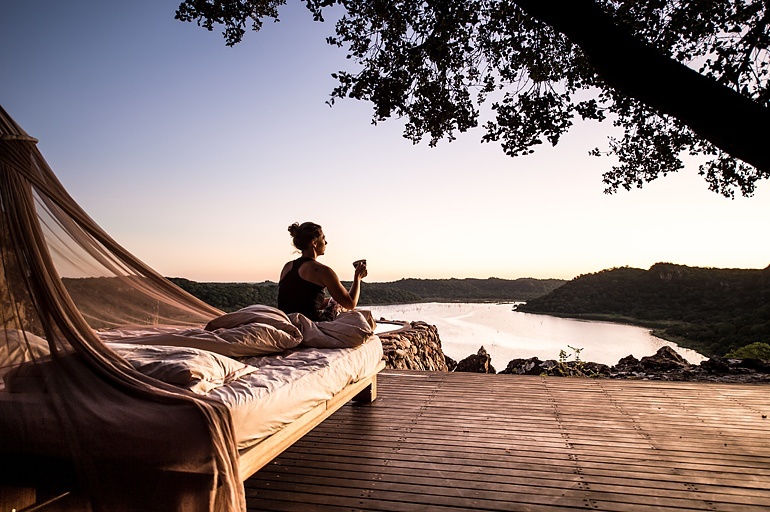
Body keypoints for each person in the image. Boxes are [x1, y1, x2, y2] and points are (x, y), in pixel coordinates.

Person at [277, 222, 368, 321]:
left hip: (289, 322)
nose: (326, 242)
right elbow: (350, 304)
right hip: (313, 324)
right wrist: (357, 277)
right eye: (323, 238)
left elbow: (301, 302)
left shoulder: (287, 267)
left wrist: (331, 301)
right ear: (314, 243)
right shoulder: (322, 270)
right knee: (351, 313)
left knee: (334, 301)